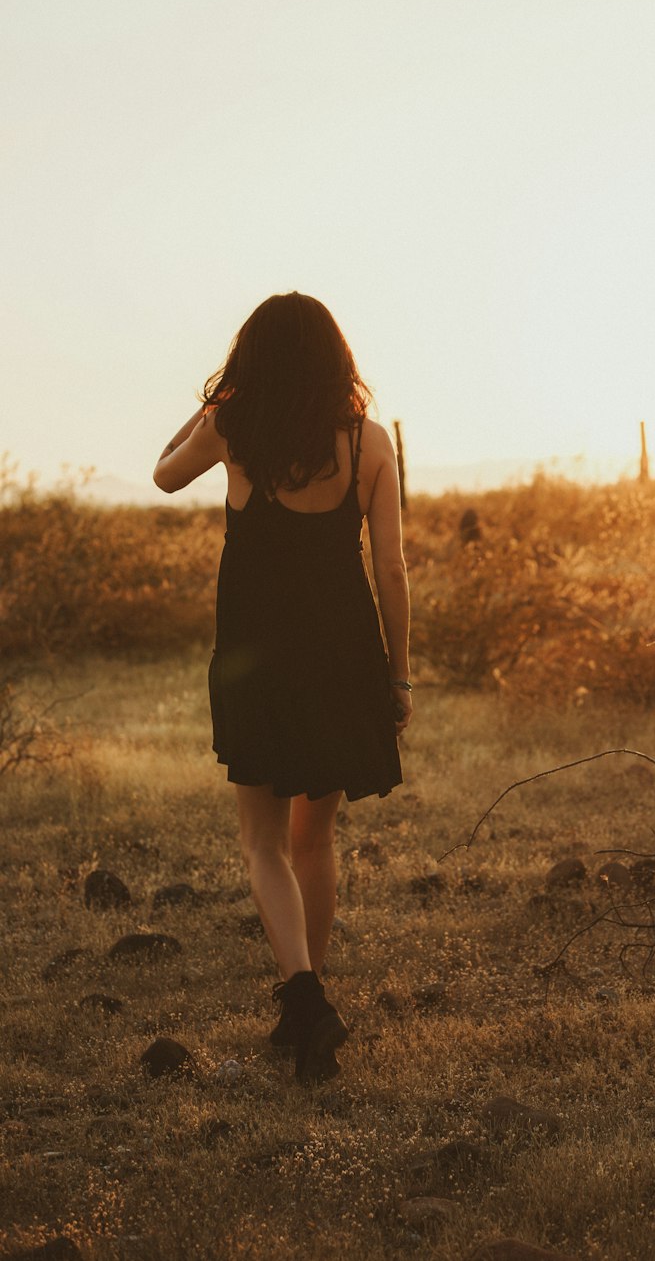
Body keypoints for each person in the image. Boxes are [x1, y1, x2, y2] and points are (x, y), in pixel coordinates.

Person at [152, 291, 411, 1084]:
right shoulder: (367, 440)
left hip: (256, 659)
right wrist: (397, 674)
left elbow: (164, 474)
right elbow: (392, 569)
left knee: (264, 842)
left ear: (251, 360)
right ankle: (308, 1005)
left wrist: (207, 409)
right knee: (314, 839)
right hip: (341, 658)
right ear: (336, 358)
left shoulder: (236, 428)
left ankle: (303, 999)